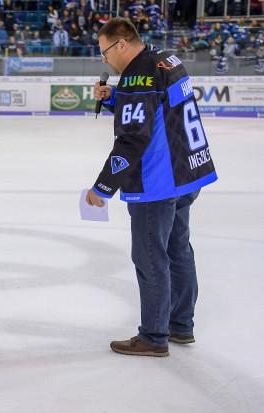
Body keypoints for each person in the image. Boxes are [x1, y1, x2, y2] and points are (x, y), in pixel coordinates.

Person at [87, 18, 218, 357]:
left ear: (121, 44)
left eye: (104, 52)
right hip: (189, 172)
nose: (105, 61)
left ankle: (154, 336)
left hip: (159, 181)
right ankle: (180, 326)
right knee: (178, 250)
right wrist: (118, 97)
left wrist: (102, 187)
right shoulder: (166, 60)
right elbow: (156, 110)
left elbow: (133, 139)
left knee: (149, 255)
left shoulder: (136, 75)